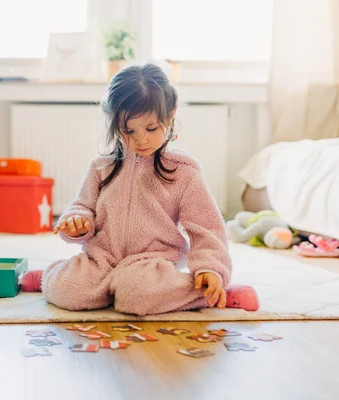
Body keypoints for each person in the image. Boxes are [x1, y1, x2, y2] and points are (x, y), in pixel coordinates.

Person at [21, 64, 259, 315]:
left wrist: (211, 268)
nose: (141, 139)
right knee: (68, 289)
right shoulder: (102, 167)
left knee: (136, 296)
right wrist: (76, 221)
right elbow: (83, 207)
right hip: (102, 260)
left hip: (151, 266)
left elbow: (207, 228)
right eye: (128, 130)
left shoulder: (183, 171)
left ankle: (209, 293)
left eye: (151, 128)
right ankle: (55, 278)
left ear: (170, 115)